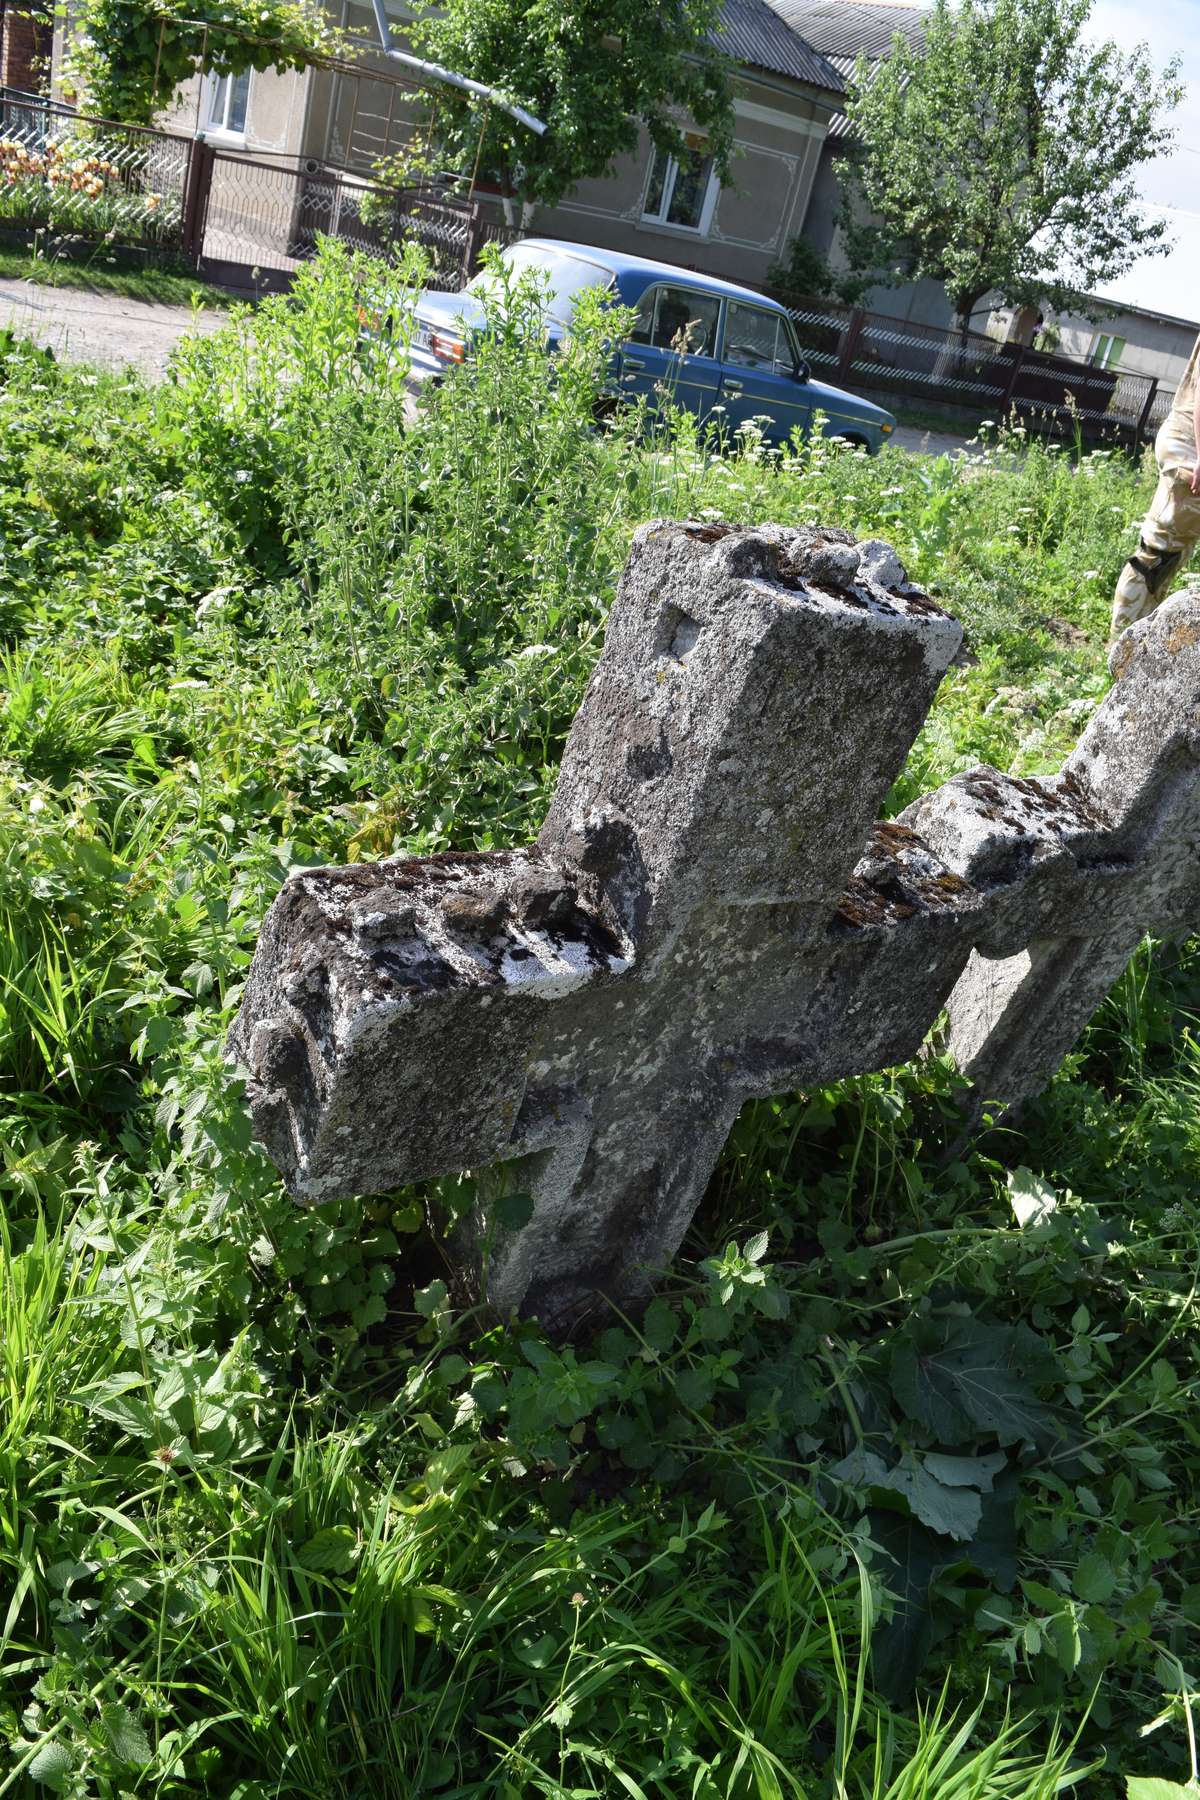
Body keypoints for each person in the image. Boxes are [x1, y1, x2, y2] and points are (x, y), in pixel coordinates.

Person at [1111, 334, 1200, 639]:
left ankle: (1140, 648)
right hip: (1191, 447)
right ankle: (1122, 651)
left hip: (1190, 445)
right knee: (1156, 555)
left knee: (1171, 557)